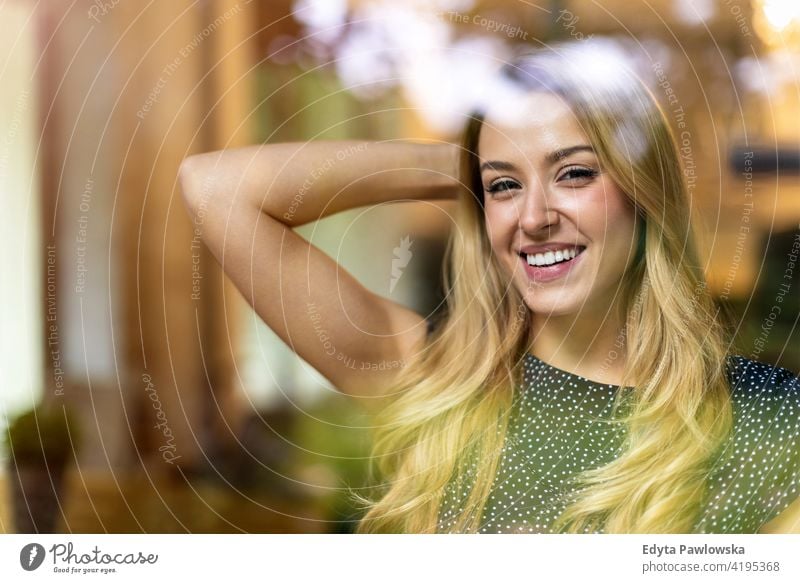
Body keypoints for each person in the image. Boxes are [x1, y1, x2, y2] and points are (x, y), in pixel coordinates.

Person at [179, 41, 800, 534]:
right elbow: (215, 188)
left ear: (644, 197)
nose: (533, 218)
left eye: (574, 174)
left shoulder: (769, 421)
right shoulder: (432, 380)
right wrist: (462, 164)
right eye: (503, 189)